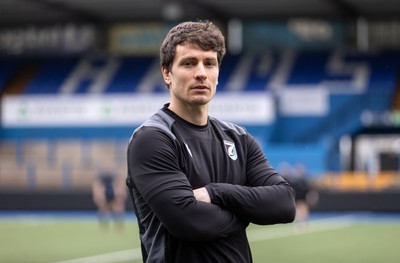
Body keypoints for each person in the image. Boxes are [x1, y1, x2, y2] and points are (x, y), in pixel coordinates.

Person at [126, 20, 296, 263]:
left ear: (218, 73)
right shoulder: (153, 138)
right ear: (167, 73)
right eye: (189, 63)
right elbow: (192, 222)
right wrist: (248, 211)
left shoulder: (239, 138)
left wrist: (216, 193)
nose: (201, 73)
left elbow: (284, 204)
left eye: (210, 63)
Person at [92, 161, 127, 230]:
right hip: (105, 194)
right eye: (106, 166)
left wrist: (120, 195)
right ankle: (104, 226)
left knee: (118, 208)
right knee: (103, 209)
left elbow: (120, 185)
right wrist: (98, 195)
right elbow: (97, 186)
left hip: (113, 194)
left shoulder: (115, 175)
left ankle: (119, 226)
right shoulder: (101, 176)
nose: (107, 168)